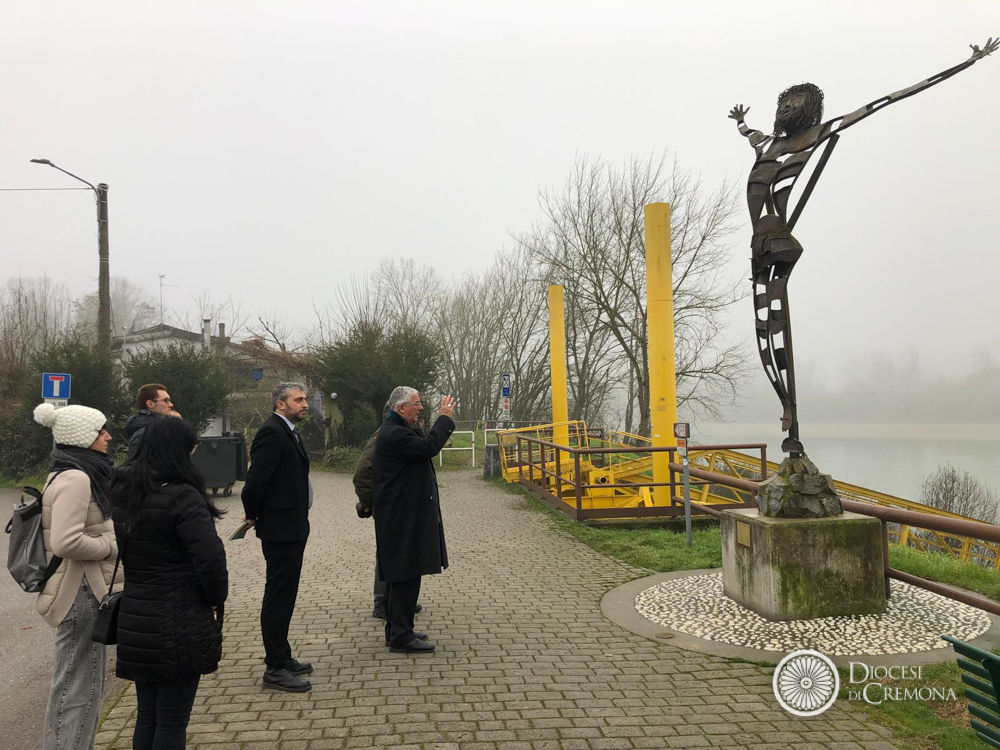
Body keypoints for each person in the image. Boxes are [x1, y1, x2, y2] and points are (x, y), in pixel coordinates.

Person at [728, 38, 998, 457]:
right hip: (758, 244)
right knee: (764, 328)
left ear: (810, 109)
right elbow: (748, 135)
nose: (787, 108)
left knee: (774, 318)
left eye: (796, 102)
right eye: (784, 102)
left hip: (779, 242)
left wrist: (968, 62)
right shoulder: (766, 145)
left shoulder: (817, 134)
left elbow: (886, 100)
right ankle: (786, 407)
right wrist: (742, 123)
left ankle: (790, 414)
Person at [110, 418, 228, 750]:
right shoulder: (183, 497)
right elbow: (210, 559)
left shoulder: (124, 490)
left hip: (137, 617)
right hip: (179, 619)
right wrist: (215, 598)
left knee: (147, 716)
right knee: (173, 721)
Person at [32, 402, 118, 750]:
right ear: (82, 437)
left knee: (81, 684)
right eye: (100, 431)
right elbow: (65, 541)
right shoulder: (76, 477)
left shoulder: (72, 471)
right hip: (79, 590)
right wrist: (110, 546)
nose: (108, 436)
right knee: (77, 687)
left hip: (81, 588)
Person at [241, 382, 313, 691]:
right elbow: (255, 482)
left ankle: (283, 656)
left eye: (305, 399)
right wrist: (252, 514)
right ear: (280, 404)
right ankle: (274, 668)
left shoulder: (288, 431)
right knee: (278, 597)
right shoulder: (271, 432)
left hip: (292, 526)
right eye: (298, 400)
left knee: (286, 595)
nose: (305, 404)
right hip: (280, 529)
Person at [373, 387, 455, 653]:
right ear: (401, 408)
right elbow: (429, 448)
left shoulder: (396, 429)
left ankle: (398, 629)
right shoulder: (395, 434)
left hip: (401, 514)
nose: (420, 408)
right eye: (416, 404)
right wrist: (444, 418)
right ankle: (401, 636)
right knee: (405, 574)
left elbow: (421, 446)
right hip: (402, 516)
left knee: (402, 575)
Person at [351, 402, 422, 621]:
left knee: (398, 552)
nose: (418, 410)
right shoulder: (383, 437)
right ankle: (382, 602)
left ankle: (398, 600)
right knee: (387, 553)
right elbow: (362, 472)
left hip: (398, 504)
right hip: (387, 505)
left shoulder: (400, 434)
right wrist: (370, 501)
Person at [125, 383, 176, 459]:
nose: (171, 405)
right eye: (166, 400)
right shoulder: (145, 433)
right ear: (150, 404)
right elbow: (138, 464)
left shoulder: (155, 429)